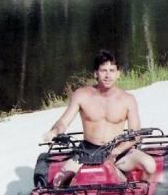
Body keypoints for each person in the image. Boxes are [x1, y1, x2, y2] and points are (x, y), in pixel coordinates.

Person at [43, 50, 156, 186]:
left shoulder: (128, 99)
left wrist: (115, 152)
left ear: (118, 73)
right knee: (57, 182)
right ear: (96, 73)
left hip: (119, 152)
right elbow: (63, 122)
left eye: (112, 70)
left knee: (150, 165)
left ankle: (142, 193)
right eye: (103, 70)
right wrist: (54, 131)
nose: (108, 75)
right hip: (87, 153)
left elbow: (135, 134)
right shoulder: (81, 95)